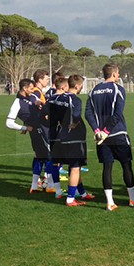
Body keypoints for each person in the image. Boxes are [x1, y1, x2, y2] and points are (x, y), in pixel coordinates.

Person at [84, 63, 134, 211]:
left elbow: (87, 113)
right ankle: (132, 199)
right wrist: (106, 131)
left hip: (101, 137)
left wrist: (97, 131)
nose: (118, 76)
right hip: (118, 134)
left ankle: (109, 202)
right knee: (126, 165)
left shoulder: (93, 90)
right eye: (118, 73)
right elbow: (117, 114)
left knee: (107, 167)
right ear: (114, 74)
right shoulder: (118, 89)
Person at [50, 75, 90, 206]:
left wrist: (58, 121)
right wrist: (76, 121)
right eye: (82, 85)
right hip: (74, 138)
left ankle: (82, 193)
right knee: (75, 167)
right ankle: (70, 198)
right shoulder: (75, 99)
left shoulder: (59, 98)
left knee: (74, 167)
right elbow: (76, 114)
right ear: (77, 86)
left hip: (62, 137)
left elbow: (49, 112)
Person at [5, 78, 51, 193]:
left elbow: (37, 102)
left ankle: (35, 185)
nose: (32, 90)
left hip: (43, 128)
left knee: (39, 156)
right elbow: (8, 123)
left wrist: (40, 103)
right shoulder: (17, 103)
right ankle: (49, 185)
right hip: (39, 131)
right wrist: (25, 127)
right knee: (50, 155)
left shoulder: (31, 97)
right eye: (30, 88)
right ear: (24, 88)